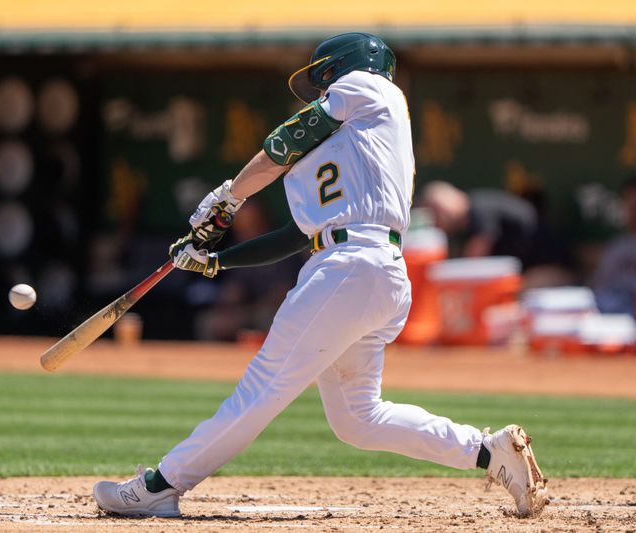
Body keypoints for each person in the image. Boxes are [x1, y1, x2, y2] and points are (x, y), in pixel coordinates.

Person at [93, 33, 548, 518]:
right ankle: (488, 452)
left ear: (344, 66)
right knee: (358, 418)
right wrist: (216, 260)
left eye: (322, 76)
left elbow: (280, 145)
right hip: (369, 272)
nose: (318, 88)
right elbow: (297, 235)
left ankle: (161, 484)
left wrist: (227, 198)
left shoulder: (371, 87)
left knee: (261, 387)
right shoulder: (350, 147)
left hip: (353, 267)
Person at [421, 181, 539, 263]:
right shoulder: (463, 226)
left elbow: (473, 260)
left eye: (437, 209)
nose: (438, 218)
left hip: (543, 264)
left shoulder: (479, 209)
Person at [593, 176, 636, 316]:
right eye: (630, 203)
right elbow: (599, 290)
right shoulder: (616, 246)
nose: (635, 210)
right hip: (617, 319)